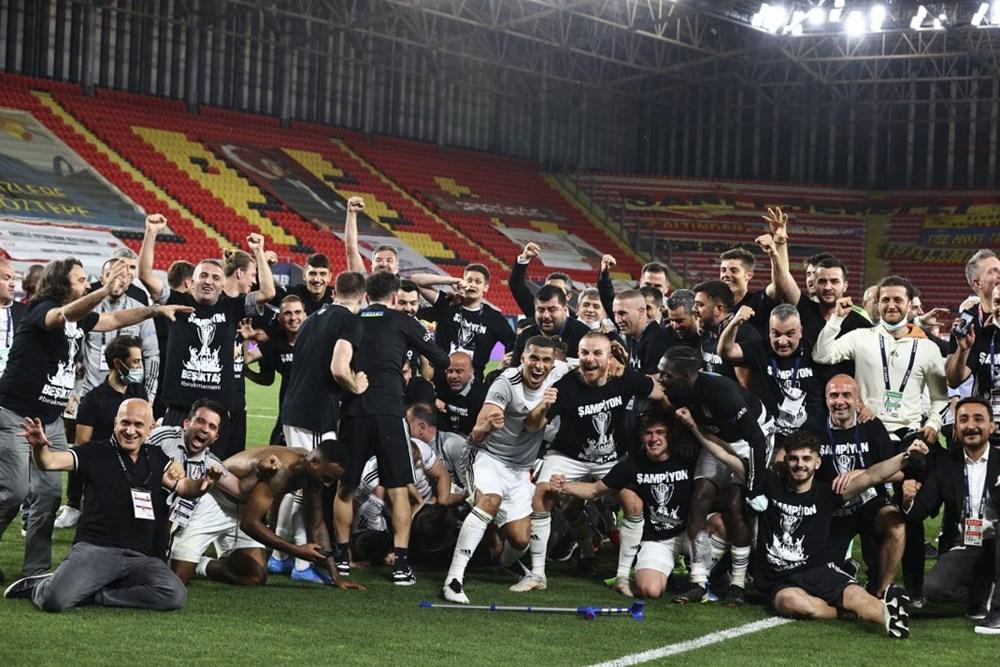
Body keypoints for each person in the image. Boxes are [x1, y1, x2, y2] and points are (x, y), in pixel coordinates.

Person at [0, 257, 189, 581]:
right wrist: (104, 289)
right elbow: (60, 316)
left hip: (50, 419)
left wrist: (155, 311)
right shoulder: (42, 308)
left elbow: (113, 319)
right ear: (62, 283)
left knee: (48, 496)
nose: (85, 285)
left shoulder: (79, 319)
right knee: (15, 491)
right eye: (79, 280)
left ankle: (35, 572)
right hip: (16, 415)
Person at [691, 426, 922, 638]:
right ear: (786, 460)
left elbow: (873, 475)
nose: (799, 464)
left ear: (817, 463)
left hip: (819, 570)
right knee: (791, 603)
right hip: (779, 579)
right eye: (794, 458)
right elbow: (728, 457)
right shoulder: (769, 484)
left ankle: (891, 616)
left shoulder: (827, 493)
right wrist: (694, 427)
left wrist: (907, 456)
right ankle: (842, 612)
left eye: (806, 459)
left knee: (856, 595)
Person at [3, 399, 221, 611]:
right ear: (115, 423)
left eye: (138, 425)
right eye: (125, 423)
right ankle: (40, 586)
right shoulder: (95, 452)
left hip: (141, 557)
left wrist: (203, 484)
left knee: (174, 593)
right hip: (96, 550)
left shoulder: (157, 457)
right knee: (55, 601)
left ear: (151, 428)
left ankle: (94, 594)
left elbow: (184, 488)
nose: (130, 431)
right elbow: (49, 462)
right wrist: (39, 447)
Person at [520, 332, 667, 597]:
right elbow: (532, 426)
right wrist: (543, 406)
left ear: (610, 357)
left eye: (597, 353)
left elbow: (659, 391)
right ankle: (538, 574)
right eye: (585, 353)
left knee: (633, 504)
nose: (590, 359)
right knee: (543, 494)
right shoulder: (565, 386)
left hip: (612, 458)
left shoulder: (624, 378)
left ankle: (622, 576)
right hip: (569, 456)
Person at [335, 271, 450, 585]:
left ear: (366, 295)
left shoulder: (350, 320)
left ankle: (341, 559)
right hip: (389, 411)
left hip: (353, 409)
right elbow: (441, 359)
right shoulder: (403, 321)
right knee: (399, 489)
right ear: (395, 296)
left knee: (345, 487)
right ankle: (400, 566)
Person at [441, 336, 570, 604]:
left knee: (520, 540)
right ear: (522, 358)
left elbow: (589, 364)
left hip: (520, 469)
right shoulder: (505, 383)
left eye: (546, 360)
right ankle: (453, 580)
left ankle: (503, 563)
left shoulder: (560, 373)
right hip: (486, 456)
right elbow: (476, 433)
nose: (539, 365)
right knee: (490, 501)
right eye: (533, 358)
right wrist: (488, 426)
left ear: (553, 363)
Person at [137, 214, 276, 457]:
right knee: (165, 470)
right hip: (179, 409)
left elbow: (267, 292)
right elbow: (145, 276)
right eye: (203, 275)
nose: (208, 281)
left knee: (211, 472)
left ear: (222, 285)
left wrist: (259, 252)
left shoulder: (232, 307)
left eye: (215, 277)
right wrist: (151, 232)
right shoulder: (177, 301)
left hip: (215, 415)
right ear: (191, 282)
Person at [657, 346, 774, 605]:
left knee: (737, 504)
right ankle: (698, 580)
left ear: (685, 376)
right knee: (699, 499)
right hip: (714, 438)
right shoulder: (676, 389)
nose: (660, 378)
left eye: (666, 374)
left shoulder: (721, 392)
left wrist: (755, 487)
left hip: (750, 439)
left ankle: (738, 584)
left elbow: (756, 439)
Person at [549, 409, 695, 600]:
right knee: (649, 590)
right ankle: (638, 575)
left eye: (660, 432)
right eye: (648, 433)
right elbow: (594, 490)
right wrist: (564, 486)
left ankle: (719, 579)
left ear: (670, 435)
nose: (654, 439)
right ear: (641, 436)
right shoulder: (631, 466)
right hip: (658, 540)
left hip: (692, 533)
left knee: (717, 524)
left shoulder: (688, 459)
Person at [904, 397, 1000, 633]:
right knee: (933, 589)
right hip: (968, 545)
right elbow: (919, 511)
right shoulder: (946, 465)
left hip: (998, 541)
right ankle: (982, 593)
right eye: (963, 420)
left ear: (992, 427)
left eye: (978, 419)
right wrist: (908, 500)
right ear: (955, 428)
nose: (971, 426)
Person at [816, 375, 905, 597]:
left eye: (846, 395)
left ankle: (883, 592)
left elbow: (898, 472)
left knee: (896, 525)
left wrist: (862, 474)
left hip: (870, 502)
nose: (840, 401)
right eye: (834, 395)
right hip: (833, 508)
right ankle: (847, 569)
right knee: (822, 580)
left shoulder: (871, 425)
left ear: (858, 400)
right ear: (826, 399)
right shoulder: (814, 427)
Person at [234, 444, 365, 589]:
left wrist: (335, 575)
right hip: (221, 496)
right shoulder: (280, 470)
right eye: (327, 478)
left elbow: (317, 525)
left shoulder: (310, 470)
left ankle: (211, 563)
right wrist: (296, 549)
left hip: (242, 504)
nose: (328, 484)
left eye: (332, 480)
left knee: (255, 575)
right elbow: (249, 523)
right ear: (314, 462)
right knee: (252, 574)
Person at [54, 335, 149, 530]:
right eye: (135, 362)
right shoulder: (93, 400)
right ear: (118, 363)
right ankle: (74, 506)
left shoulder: (139, 392)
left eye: (140, 361)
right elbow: (82, 445)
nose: (140, 367)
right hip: (103, 466)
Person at [720, 304, 830, 439]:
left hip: (811, 438)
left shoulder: (813, 351)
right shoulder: (760, 349)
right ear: (769, 332)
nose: (782, 341)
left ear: (800, 331)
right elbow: (726, 351)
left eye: (790, 334)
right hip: (773, 438)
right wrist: (734, 323)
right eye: (776, 334)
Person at [78, 252, 159, 413]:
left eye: (122, 276)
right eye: (111, 274)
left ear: (129, 281)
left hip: (128, 398)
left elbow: (152, 356)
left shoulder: (141, 312)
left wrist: (149, 397)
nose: (117, 279)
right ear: (102, 279)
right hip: (90, 394)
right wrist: (72, 393)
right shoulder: (86, 309)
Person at [417, 262, 515, 379]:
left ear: (486, 287)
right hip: (441, 378)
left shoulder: (495, 318)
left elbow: (515, 346)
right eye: (469, 280)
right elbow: (416, 281)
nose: (472, 285)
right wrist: (452, 281)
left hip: (473, 383)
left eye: (478, 282)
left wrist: (501, 366)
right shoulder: (449, 304)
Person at [242, 295, 305, 444]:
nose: (293, 318)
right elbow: (248, 358)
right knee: (276, 451)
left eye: (297, 312)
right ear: (280, 319)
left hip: (313, 415)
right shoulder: (276, 344)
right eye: (288, 313)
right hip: (287, 413)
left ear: (305, 315)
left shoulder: (316, 341)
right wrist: (247, 339)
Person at [946, 283, 1000, 443]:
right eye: (997, 302)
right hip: (985, 430)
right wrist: (963, 349)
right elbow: (954, 380)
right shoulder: (983, 336)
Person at [692, 279, 761, 387]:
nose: (694, 309)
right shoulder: (708, 329)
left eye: (700, 305)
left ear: (719, 309)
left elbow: (747, 389)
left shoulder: (743, 335)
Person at [511, 284, 590, 365]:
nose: (546, 316)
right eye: (541, 310)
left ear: (565, 309)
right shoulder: (524, 337)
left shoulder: (584, 336)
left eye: (552, 310)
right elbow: (512, 370)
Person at [613, 289, 671, 374]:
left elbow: (652, 381)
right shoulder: (635, 335)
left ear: (641, 312)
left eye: (622, 313)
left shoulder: (656, 342)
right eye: (615, 314)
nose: (617, 320)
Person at [435, 351, 487, 437]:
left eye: (459, 371)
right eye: (450, 371)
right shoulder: (441, 389)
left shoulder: (482, 395)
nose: (453, 376)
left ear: (471, 372)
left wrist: (446, 407)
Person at [0, 258, 25, 378]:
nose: (12, 284)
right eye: (6, 278)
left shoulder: (24, 312)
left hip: (10, 382)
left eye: (13, 279)